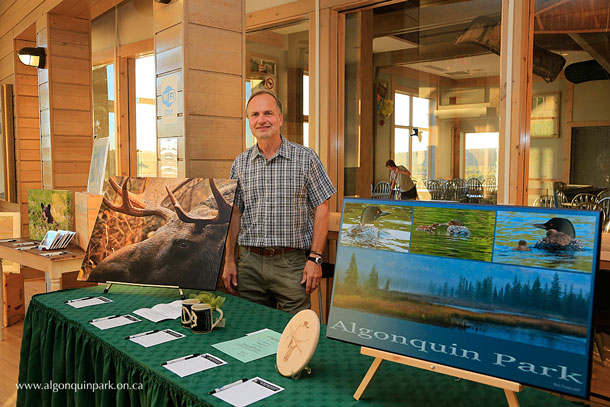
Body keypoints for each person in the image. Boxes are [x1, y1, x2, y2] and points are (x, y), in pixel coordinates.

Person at [222, 90, 336, 314]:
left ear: (280, 118)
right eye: (255, 115)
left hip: (291, 265)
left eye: (268, 113)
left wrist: (315, 258)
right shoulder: (240, 163)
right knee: (249, 331)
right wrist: (229, 259)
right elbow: (234, 214)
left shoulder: (306, 158)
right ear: (249, 121)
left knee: (295, 335)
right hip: (249, 264)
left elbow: (322, 208)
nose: (261, 120)